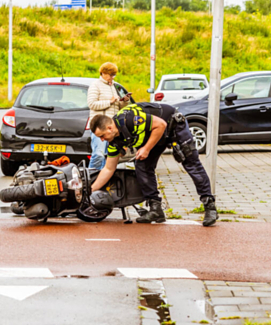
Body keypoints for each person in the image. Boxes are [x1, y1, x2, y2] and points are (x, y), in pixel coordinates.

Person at [89, 102, 219, 226]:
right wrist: (90, 190)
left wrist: (146, 149)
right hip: (155, 135)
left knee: (191, 163)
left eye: (102, 135)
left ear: (110, 128)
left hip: (171, 125)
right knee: (142, 166)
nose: (101, 140)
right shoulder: (113, 142)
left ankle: (210, 207)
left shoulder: (130, 119)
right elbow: (108, 169)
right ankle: (155, 209)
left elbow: (161, 124)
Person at [86, 62, 129, 171]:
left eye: (114, 75)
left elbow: (119, 107)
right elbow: (92, 104)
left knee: (107, 155)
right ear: (103, 73)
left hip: (111, 128)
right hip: (99, 126)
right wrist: (109, 102)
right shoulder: (95, 85)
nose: (112, 77)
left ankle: (102, 180)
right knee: (98, 154)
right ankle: (90, 179)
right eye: (111, 75)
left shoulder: (115, 86)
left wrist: (124, 101)